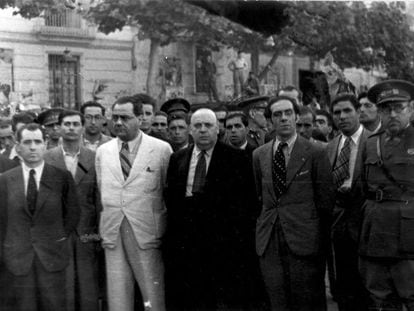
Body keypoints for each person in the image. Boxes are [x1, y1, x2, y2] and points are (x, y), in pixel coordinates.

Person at [165, 108, 257, 310]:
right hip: (187, 242)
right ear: (190, 130)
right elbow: (172, 200)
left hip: (222, 243)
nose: (203, 130)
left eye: (208, 125)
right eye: (197, 126)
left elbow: (246, 205)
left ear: (218, 130)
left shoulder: (237, 159)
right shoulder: (178, 159)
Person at [252, 95, 334, 311]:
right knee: (277, 299)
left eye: (288, 113)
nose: (284, 118)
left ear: (296, 117)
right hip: (270, 238)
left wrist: (318, 242)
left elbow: (325, 201)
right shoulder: (259, 155)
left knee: (306, 301)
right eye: (277, 114)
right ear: (270, 120)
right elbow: (260, 197)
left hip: (304, 240)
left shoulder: (315, 152)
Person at [95, 95, 172, 311]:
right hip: (113, 229)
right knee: (118, 296)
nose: (118, 122)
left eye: (125, 118)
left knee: (153, 295)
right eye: (115, 117)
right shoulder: (103, 152)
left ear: (140, 118)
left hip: (146, 230)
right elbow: (103, 189)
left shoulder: (161, 149)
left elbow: (167, 190)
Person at [0, 123, 79, 311]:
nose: (33, 147)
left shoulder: (61, 177)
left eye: (37, 142)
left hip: (51, 258)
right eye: (27, 142)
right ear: (17, 146)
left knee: (54, 305)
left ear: (45, 144)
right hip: (17, 261)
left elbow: (72, 214)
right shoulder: (5, 180)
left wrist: (55, 238)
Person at [359, 80, 414, 311]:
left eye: (398, 108)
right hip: (376, 231)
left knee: (411, 295)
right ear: (379, 111)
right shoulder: (371, 143)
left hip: (409, 233)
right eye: (385, 109)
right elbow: (364, 187)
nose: (392, 114)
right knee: (380, 297)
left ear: (411, 109)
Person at [44, 110, 101, 311]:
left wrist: (96, 236)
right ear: (59, 128)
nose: (71, 128)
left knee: (88, 289)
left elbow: (98, 199)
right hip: (57, 233)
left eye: (76, 124)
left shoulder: (94, 158)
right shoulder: (47, 158)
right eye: (67, 124)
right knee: (62, 287)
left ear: (82, 128)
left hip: (86, 234)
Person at [326, 93, 370, 311]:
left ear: (358, 112)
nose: (341, 117)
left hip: (366, 224)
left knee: (366, 289)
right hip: (338, 225)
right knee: (342, 290)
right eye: (336, 113)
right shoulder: (330, 147)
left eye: (347, 111)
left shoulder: (373, 141)